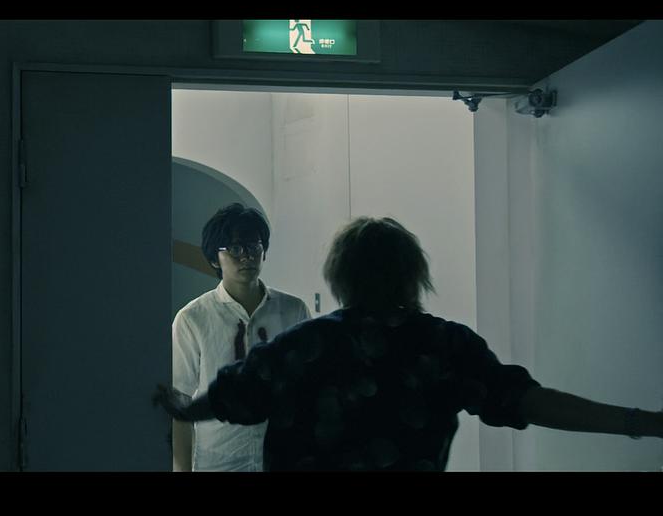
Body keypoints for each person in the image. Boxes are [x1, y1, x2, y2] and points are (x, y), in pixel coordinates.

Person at [156, 216, 663, 470]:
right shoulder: (445, 346)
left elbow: (231, 396)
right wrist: (639, 422)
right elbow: (528, 401)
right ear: (414, 274)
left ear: (341, 276)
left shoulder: (307, 343)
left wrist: (181, 406)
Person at [172, 203, 310, 471]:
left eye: (254, 246)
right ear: (215, 259)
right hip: (218, 463)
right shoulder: (192, 319)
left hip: (281, 458)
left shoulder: (294, 310)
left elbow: (306, 389)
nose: (247, 256)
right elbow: (180, 404)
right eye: (235, 249)